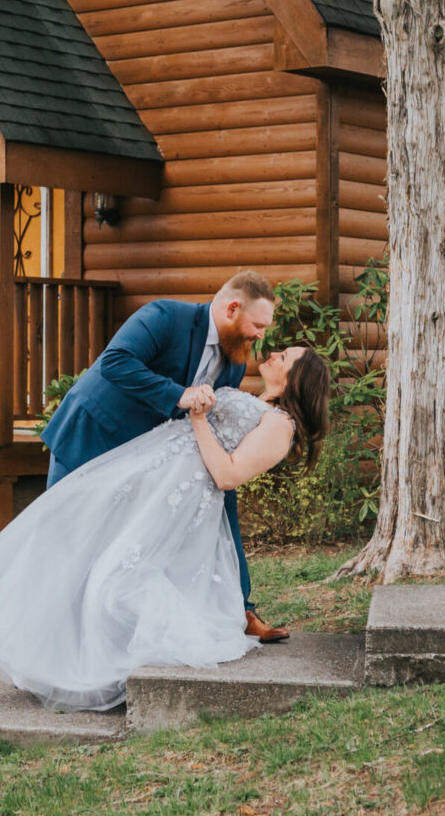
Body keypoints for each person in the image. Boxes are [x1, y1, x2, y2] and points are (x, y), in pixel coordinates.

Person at [0, 344, 329, 712]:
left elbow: (228, 475)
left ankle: (62, 666)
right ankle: (5, 631)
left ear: (298, 379)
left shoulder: (281, 426)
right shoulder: (254, 398)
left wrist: (200, 418)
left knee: (114, 578)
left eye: (285, 358)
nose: (273, 354)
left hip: (176, 497)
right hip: (146, 474)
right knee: (66, 531)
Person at [37, 271, 291, 642]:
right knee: (59, 538)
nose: (261, 336)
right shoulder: (165, 316)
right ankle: (27, 635)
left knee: (216, 503)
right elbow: (116, 362)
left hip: (146, 459)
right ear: (232, 309)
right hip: (92, 435)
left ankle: (241, 607)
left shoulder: (234, 363)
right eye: (258, 325)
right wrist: (179, 394)